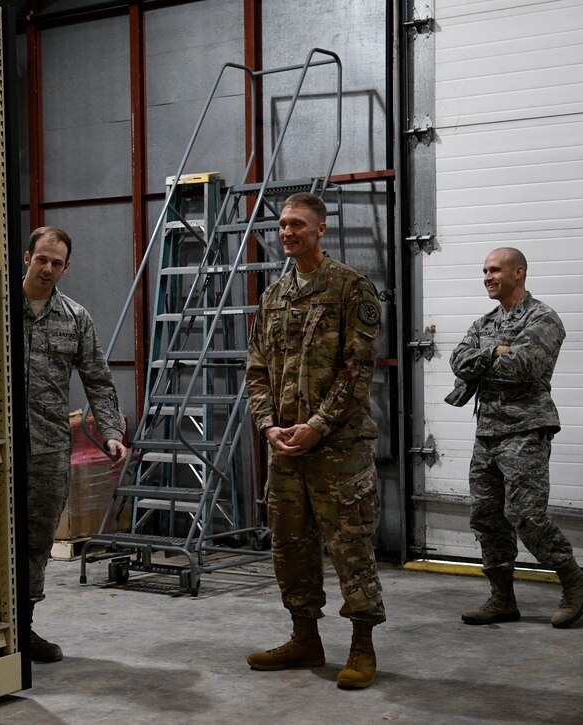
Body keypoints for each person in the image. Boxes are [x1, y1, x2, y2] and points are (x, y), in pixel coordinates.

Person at [244, 192, 385, 689]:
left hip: (339, 449)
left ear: (320, 229)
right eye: (282, 224)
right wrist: (268, 426)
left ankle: (362, 647)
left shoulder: (351, 288)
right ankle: (305, 638)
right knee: (290, 545)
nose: (287, 232)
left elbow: (358, 370)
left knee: (349, 545)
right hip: (285, 449)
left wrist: (317, 426)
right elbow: (256, 369)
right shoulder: (274, 296)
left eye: (297, 224)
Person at [448, 247, 583, 628]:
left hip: (526, 429)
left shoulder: (543, 318)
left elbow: (522, 366)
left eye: (495, 270)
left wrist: (490, 357)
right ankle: (502, 599)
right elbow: (457, 360)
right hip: (487, 432)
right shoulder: (484, 322)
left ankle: (574, 581)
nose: (487, 277)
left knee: (525, 515)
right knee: (487, 518)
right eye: (484, 271)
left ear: (519, 272)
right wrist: (494, 350)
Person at [22, 226, 128, 663]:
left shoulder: (75, 318)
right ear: (26, 257)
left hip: (46, 451)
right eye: (42, 259)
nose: (48, 269)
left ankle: (22, 629)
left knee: (35, 541)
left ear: (67, 267)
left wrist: (112, 434)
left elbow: (99, 382)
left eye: (57, 263)